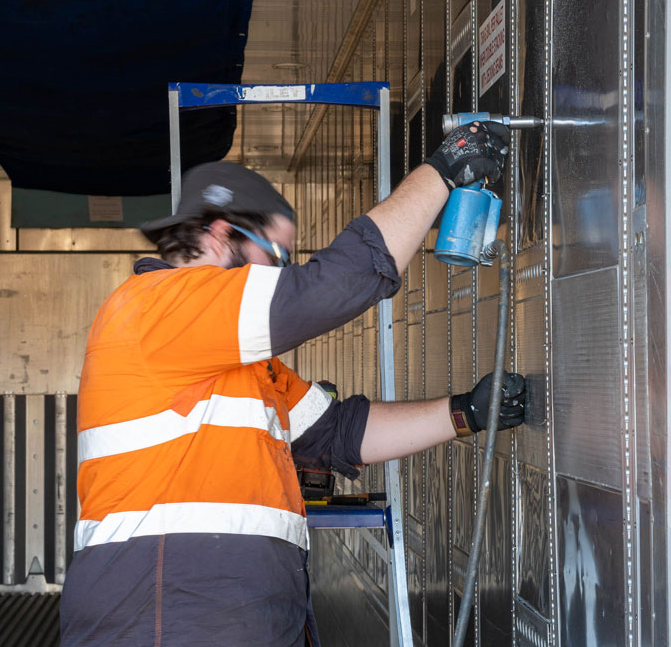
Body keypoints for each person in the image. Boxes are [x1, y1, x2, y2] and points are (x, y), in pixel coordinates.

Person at [60, 121, 525, 647]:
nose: (282, 273)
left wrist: (467, 411)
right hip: (166, 619)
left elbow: (337, 433)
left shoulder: (245, 368)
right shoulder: (157, 306)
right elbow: (328, 287)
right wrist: (442, 172)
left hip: (228, 616)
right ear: (219, 235)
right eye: (276, 255)